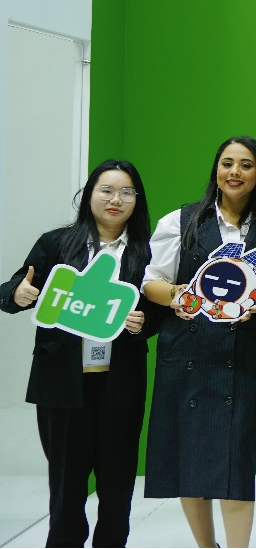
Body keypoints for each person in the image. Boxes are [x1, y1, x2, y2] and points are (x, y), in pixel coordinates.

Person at [0, 160, 154, 548]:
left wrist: (143, 322)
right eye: (107, 190)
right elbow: (14, 287)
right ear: (88, 196)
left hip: (120, 385)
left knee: (117, 486)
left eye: (126, 192)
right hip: (63, 384)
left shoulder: (146, 252)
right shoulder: (56, 243)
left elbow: (159, 312)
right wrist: (17, 292)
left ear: (137, 200)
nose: (116, 199)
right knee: (66, 488)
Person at [140, 136, 256, 548]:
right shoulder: (181, 221)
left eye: (246, 165)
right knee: (189, 460)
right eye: (227, 163)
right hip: (187, 349)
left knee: (237, 461)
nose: (234, 172)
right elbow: (151, 281)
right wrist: (180, 296)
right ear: (216, 170)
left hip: (243, 353)